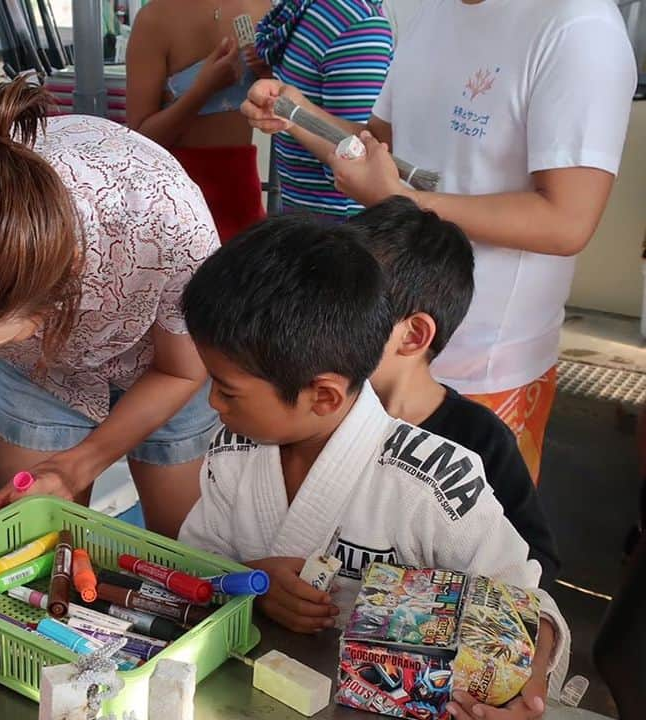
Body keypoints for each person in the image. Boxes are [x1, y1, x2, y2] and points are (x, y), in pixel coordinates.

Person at [177, 214, 569, 720]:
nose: (212, 403)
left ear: (324, 396)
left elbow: (528, 606)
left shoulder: (431, 481)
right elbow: (196, 572)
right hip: (247, 711)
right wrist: (253, 582)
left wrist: (529, 686)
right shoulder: (233, 453)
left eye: (227, 390)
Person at [241, 0, 637, 480]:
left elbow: (566, 220)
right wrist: (296, 111)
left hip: (485, 363)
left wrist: (402, 199)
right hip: (383, 340)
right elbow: (377, 152)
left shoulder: (578, 26)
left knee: (467, 547)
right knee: (360, 540)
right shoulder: (431, 13)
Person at [0, 78, 219, 539]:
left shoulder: (165, 218)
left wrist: (77, 467)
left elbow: (181, 371)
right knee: (34, 546)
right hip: (40, 376)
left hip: (165, 362)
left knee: (181, 544)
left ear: (69, 279)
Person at [349, 197, 560, 586]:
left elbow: (536, 565)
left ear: (413, 336)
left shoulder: (480, 440)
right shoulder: (322, 414)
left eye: (344, 312)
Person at [125, 0, 270, 242]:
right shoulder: (154, 19)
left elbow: (288, 104)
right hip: (174, 196)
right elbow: (140, 139)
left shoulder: (261, 9)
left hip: (241, 189)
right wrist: (203, 90)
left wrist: (269, 76)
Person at [252, 0, 392, 218]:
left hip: (299, 215)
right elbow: (358, 162)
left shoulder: (312, 8)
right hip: (342, 228)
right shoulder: (360, 27)